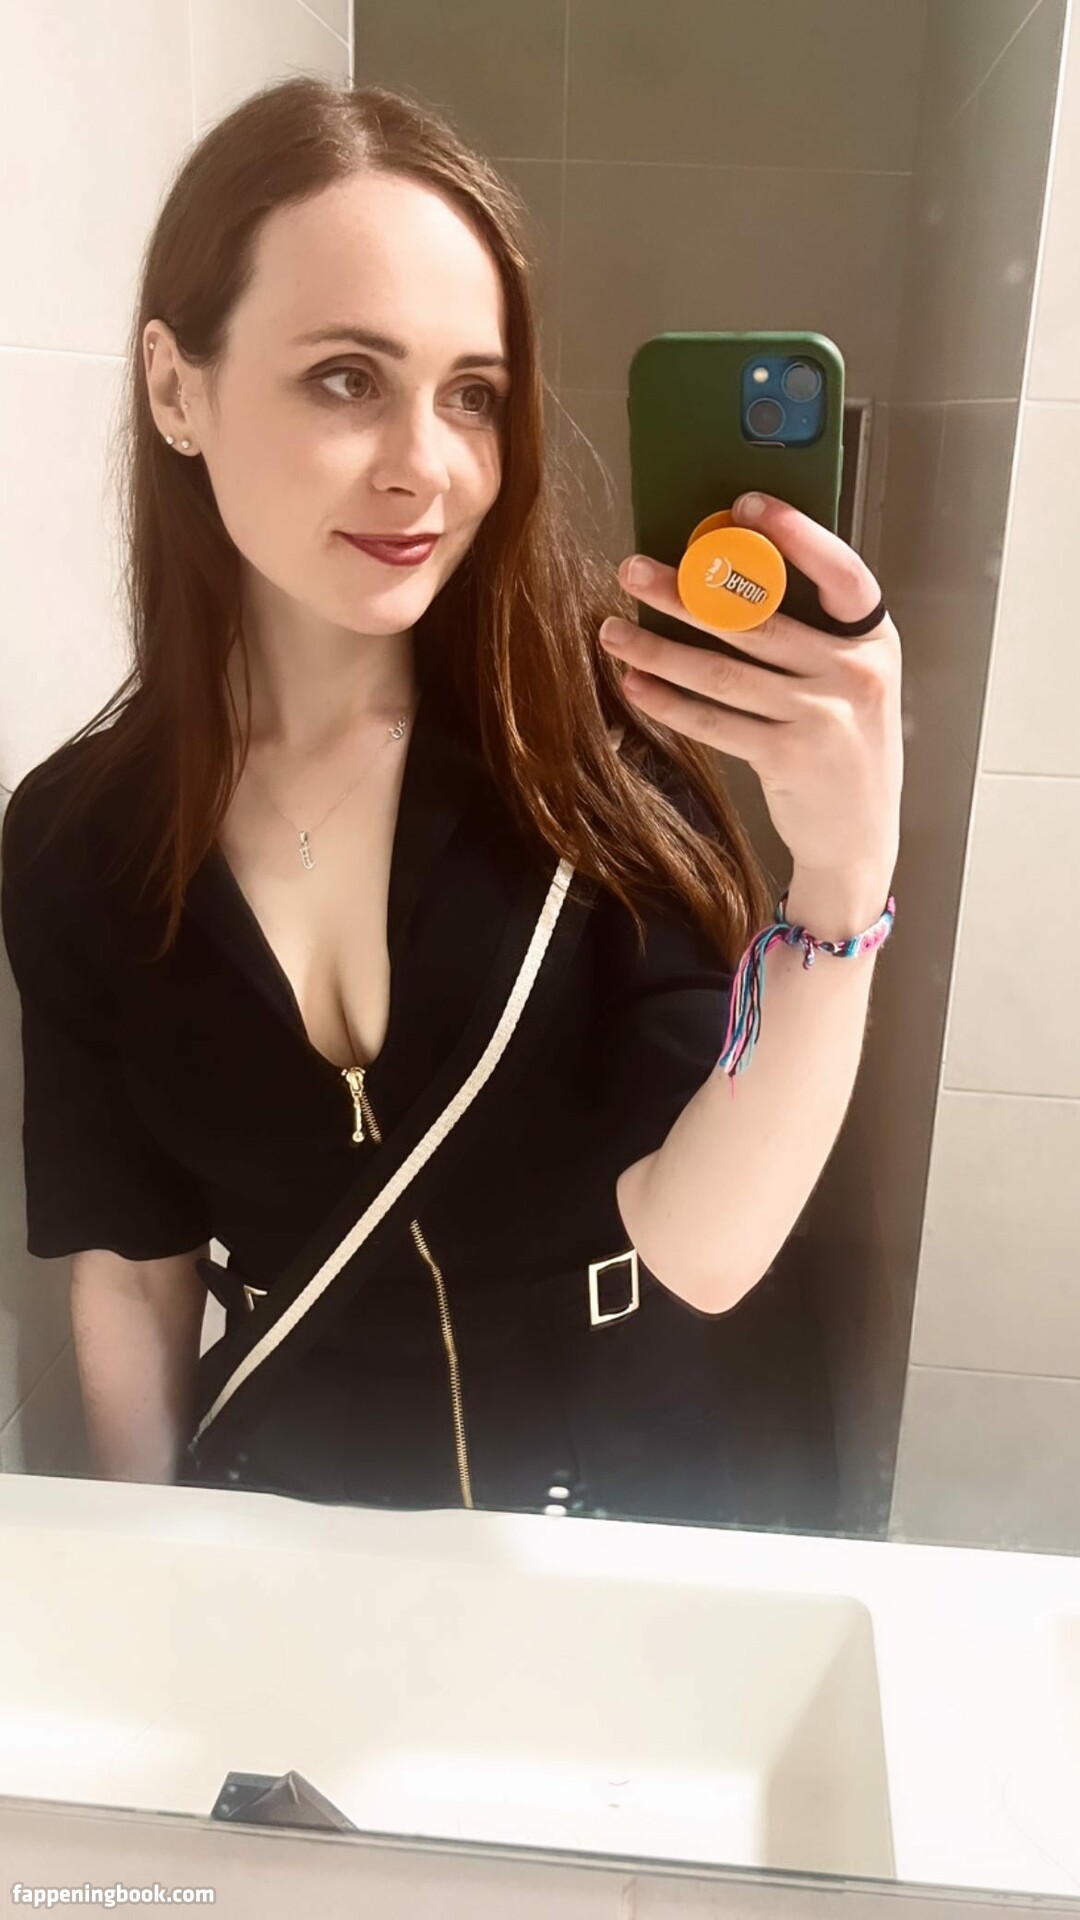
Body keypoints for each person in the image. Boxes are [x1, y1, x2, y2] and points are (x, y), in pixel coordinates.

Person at [0, 79, 902, 1524]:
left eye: (472, 395)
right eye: (345, 378)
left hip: (609, 1518)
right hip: (292, 1513)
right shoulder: (74, 839)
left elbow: (707, 1246)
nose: (427, 468)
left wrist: (845, 876)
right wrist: (150, 1556)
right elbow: (130, 1262)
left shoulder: (591, 751)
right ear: (177, 388)